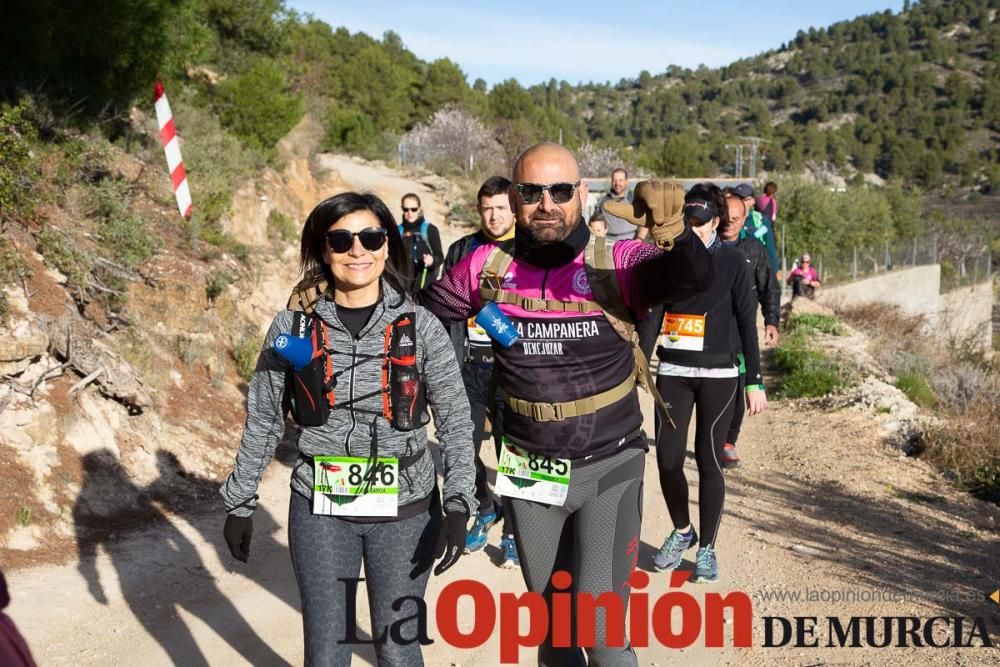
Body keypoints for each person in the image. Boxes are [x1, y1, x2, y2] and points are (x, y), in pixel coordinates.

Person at [422, 143, 713, 665]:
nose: (546, 204)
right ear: (514, 198)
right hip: (530, 467)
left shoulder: (615, 260)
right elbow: (421, 313)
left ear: (582, 193)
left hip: (611, 463)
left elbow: (692, 279)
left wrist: (678, 237)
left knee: (600, 632)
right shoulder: (485, 267)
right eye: (532, 192)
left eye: (560, 190)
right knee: (553, 631)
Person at [220, 192, 475, 666]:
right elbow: (264, 417)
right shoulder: (292, 327)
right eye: (341, 240)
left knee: (398, 649)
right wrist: (240, 502)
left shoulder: (422, 327)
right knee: (326, 651)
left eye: (371, 237)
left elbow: (456, 420)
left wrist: (460, 502)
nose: (357, 250)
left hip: (408, 509)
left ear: (386, 247)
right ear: (323, 250)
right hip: (321, 509)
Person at [652, 183, 767, 584]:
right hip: (673, 373)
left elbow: (746, 325)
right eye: (688, 221)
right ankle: (683, 532)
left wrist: (754, 380)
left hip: (719, 375)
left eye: (701, 222)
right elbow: (653, 313)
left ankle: (707, 550)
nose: (694, 228)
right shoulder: (668, 259)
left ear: (716, 222)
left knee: (709, 459)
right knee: (667, 459)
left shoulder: (735, 262)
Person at [442, 175, 519, 567]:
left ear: (515, 209)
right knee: (461, 451)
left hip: (512, 370)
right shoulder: (461, 250)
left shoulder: (531, 253)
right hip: (466, 365)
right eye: (487, 208)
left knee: (513, 455)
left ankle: (513, 534)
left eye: (501, 208)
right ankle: (486, 507)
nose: (493, 215)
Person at [718, 192, 781, 469]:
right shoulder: (708, 245)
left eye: (735, 219)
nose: (729, 224)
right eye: (725, 218)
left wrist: (771, 320)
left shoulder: (754, 249)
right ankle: (709, 438)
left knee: (738, 392)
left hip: (742, 334)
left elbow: (769, 287)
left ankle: (728, 442)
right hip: (711, 333)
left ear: (745, 219)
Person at [398, 193, 445, 294]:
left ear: (419, 209)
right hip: (402, 288)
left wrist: (432, 261)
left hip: (424, 289)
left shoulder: (430, 230)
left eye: (413, 209)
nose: (409, 213)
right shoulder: (398, 231)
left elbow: (439, 256)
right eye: (406, 209)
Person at [731, 183, 779, 275]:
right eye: (737, 199)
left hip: (755, 273)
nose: (740, 202)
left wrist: (772, 276)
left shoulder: (761, 220)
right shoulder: (727, 220)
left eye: (743, 199)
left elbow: (770, 250)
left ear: (752, 201)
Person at [595, 167, 649, 243]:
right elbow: (595, 222)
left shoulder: (634, 199)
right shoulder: (603, 201)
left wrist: (639, 239)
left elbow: (645, 222)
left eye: (620, 180)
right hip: (608, 245)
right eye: (614, 180)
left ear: (626, 181)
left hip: (630, 244)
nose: (617, 183)